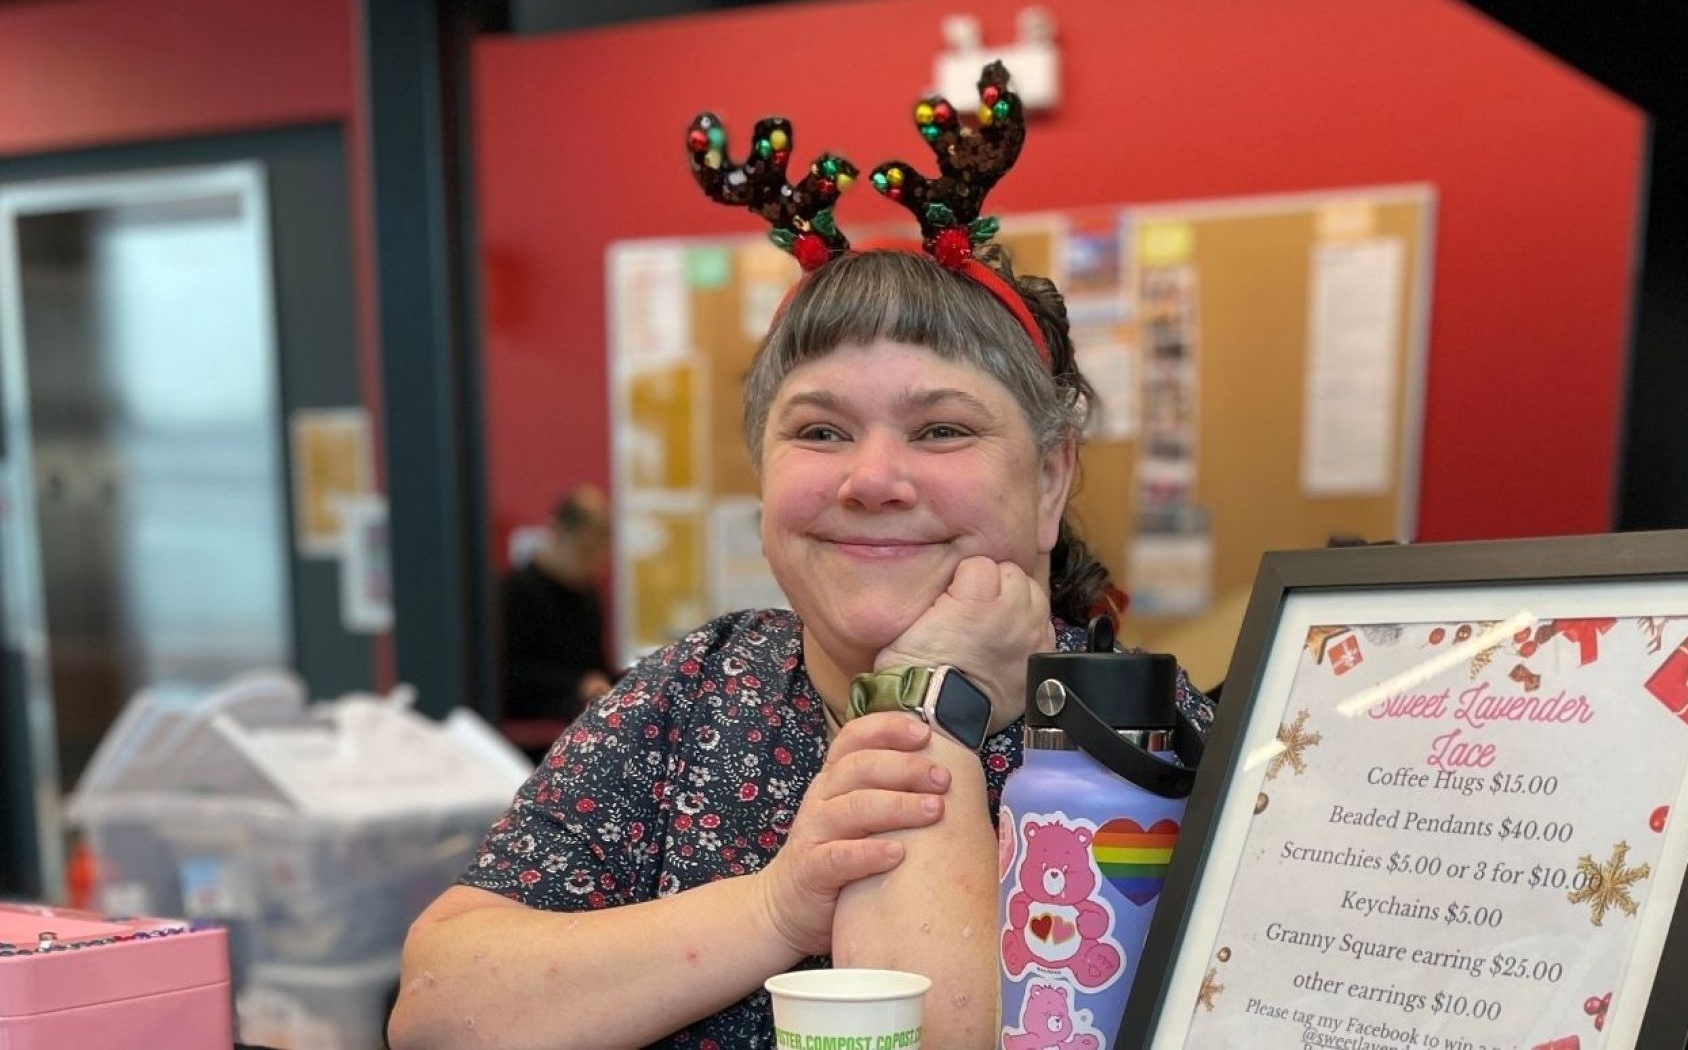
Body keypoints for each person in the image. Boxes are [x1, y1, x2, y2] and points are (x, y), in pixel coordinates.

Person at [388, 64, 1211, 1049]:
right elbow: (441, 1008)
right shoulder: (693, 692)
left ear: (1049, 479)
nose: (871, 479)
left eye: (941, 430)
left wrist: (920, 697)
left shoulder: (1138, 738)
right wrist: (777, 908)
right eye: (819, 433)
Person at [499, 485, 614, 723]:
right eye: (585, 551)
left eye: (600, 552)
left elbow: (596, 666)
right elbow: (511, 674)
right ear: (559, 532)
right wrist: (578, 685)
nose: (594, 564)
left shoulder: (587, 595)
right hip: (529, 733)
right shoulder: (517, 592)